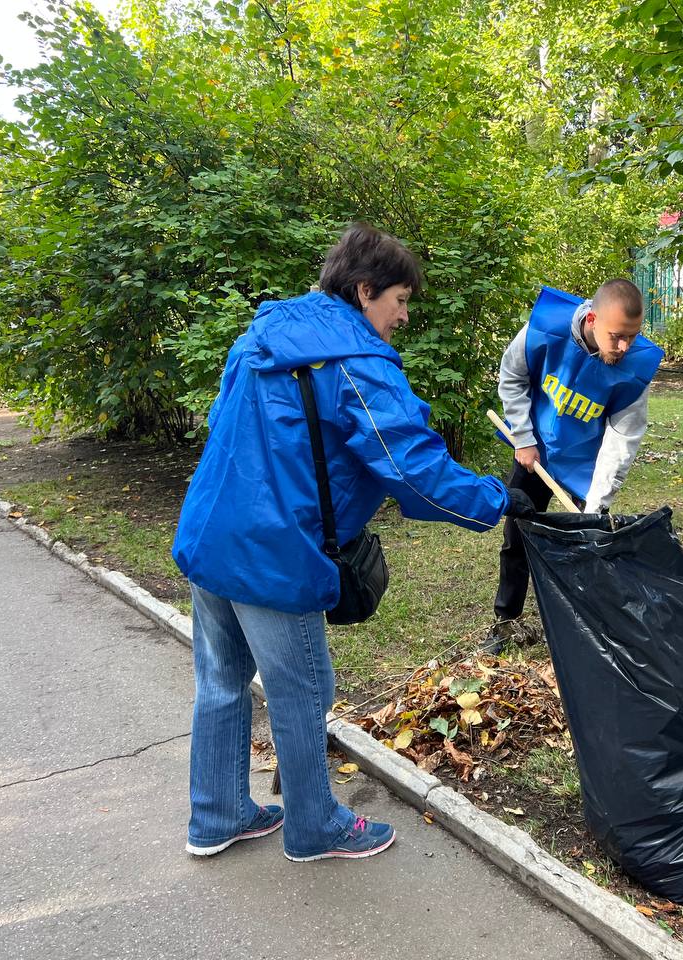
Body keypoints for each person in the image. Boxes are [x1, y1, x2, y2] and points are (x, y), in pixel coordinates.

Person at [172, 223, 536, 862]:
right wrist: (498, 499)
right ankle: (314, 826)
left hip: (210, 532)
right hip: (275, 553)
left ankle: (218, 815)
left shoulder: (263, 336)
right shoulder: (355, 360)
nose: (403, 315)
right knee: (302, 690)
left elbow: (222, 422)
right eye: (399, 299)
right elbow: (411, 465)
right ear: (365, 290)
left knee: (222, 681)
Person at [489, 279, 663, 650]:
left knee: (585, 545)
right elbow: (512, 376)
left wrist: (597, 503)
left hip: (586, 464)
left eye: (632, 336)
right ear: (593, 319)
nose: (624, 347)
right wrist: (523, 437)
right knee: (517, 537)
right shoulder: (545, 327)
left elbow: (622, 440)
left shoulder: (635, 367)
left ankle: (584, 631)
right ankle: (505, 621)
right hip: (535, 452)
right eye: (617, 336)